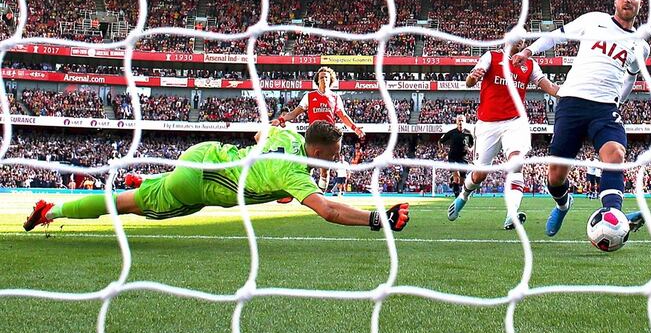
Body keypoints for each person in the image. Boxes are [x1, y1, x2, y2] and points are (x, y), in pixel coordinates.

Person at [23, 121, 409, 233]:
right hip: (199, 182)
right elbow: (328, 211)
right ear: (321, 150)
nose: (336, 161)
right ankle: (50, 210)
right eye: (335, 155)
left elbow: (261, 135)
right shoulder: (294, 172)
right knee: (128, 209)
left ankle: (146, 183)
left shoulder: (287, 134)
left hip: (205, 153)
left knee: (151, 196)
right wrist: (378, 218)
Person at [511, 0, 650, 236]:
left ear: (641, 3)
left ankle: (614, 216)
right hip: (572, 102)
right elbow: (555, 37)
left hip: (604, 109)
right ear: (615, 0)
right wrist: (528, 52)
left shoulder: (640, 46)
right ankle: (563, 205)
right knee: (555, 176)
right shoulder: (592, 20)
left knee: (615, 154)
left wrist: (619, 100)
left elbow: (631, 76)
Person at [447, 36, 560, 229]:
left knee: (516, 163)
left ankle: (512, 214)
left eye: (525, 39)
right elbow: (469, 82)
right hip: (487, 124)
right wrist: (473, 77)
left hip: (515, 122)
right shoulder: (491, 56)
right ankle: (463, 196)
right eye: (518, 38)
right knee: (480, 174)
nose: (522, 42)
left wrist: (572, 93)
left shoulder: (530, 65)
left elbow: (548, 86)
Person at [272, 67, 365, 191]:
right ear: (317, 80)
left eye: (326, 77)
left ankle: (321, 195)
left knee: (324, 172)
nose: (324, 79)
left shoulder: (335, 97)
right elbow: (294, 113)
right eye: (321, 77)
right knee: (306, 167)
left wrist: (355, 128)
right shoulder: (309, 96)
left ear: (330, 80)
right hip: (313, 135)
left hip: (328, 137)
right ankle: (303, 192)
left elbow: (343, 116)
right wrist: (281, 119)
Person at [439, 114, 474, 198]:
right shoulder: (452, 132)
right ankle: (457, 198)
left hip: (463, 158)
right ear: (456, 122)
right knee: (456, 177)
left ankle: (452, 180)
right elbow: (440, 141)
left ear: (465, 122)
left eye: (462, 121)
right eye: (459, 120)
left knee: (461, 181)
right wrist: (442, 151)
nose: (461, 122)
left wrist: (470, 149)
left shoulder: (468, 133)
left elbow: (472, 144)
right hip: (453, 157)